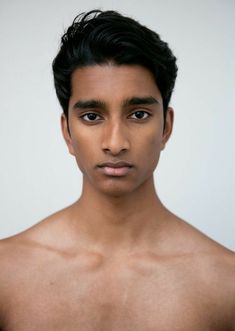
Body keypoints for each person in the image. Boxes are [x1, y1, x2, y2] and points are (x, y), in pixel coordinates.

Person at [0, 9, 234, 331]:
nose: (115, 143)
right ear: (67, 132)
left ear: (165, 127)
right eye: (92, 116)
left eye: (138, 114)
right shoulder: (6, 274)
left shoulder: (225, 284)